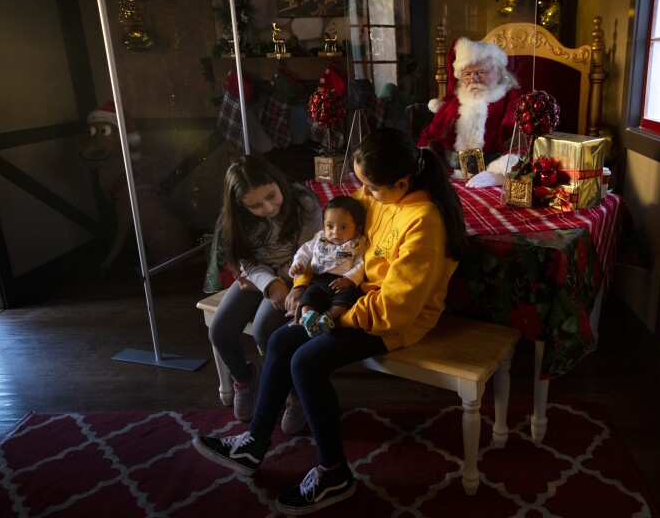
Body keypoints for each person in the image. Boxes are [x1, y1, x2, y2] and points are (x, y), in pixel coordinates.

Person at [192, 127, 469, 515]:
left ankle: (333, 472)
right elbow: (327, 245)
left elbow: (397, 308)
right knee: (280, 340)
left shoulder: (423, 220)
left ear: (401, 183)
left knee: (306, 360)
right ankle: (255, 444)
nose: (364, 195)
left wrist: (332, 319)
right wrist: (304, 288)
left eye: (369, 187)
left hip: (394, 320)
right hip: (351, 298)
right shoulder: (381, 195)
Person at [207, 155, 322, 425]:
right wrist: (268, 284)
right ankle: (244, 379)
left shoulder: (304, 202)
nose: (268, 208)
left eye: (271, 196)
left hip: (297, 276)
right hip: (259, 278)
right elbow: (244, 260)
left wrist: (280, 282)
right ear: (241, 205)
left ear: (278, 181)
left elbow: (309, 253)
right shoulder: (235, 217)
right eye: (256, 205)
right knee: (220, 331)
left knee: (264, 331)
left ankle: (294, 392)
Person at [416, 37, 523, 173]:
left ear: (499, 71)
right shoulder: (453, 104)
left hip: (494, 177)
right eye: (467, 73)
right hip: (449, 175)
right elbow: (429, 137)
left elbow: (522, 146)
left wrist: (498, 174)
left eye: (481, 72)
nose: (473, 78)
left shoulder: (512, 101)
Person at [289, 195, 367, 338]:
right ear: (324, 225)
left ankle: (328, 317)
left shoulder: (357, 243)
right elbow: (304, 251)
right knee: (309, 296)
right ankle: (308, 317)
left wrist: (349, 279)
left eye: (343, 227)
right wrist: (298, 264)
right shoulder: (321, 238)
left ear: (358, 228)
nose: (335, 232)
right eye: (330, 226)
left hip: (343, 283)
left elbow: (361, 264)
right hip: (320, 281)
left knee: (350, 297)